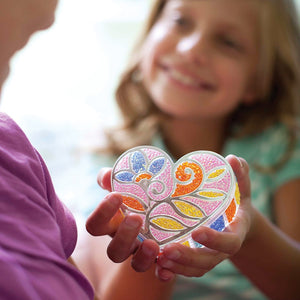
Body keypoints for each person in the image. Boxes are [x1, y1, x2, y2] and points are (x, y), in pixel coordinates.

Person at [75, 0, 300, 299]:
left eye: (228, 42)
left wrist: (249, 232)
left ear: (259, 81)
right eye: (180, 21)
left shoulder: (281, 149)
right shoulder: (116, 162)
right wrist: (151, 247)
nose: (191, 49)